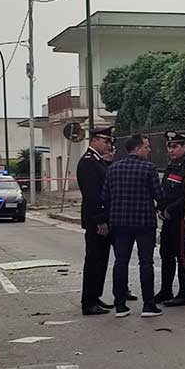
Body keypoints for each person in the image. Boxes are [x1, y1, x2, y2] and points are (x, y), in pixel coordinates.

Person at [103, 134, 165, 318]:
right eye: (146, 147)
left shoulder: (113, 168)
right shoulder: (149, 168)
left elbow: (105, 196)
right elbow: (159, 195)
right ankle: (148, 305)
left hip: (120, 222)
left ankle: (120, 305)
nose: (149, 150)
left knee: (120, 262)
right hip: (144, 222)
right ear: (137, 149)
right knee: (146, 262)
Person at [77, 127, 116, 316]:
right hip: (96, 220)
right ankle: (89, 301)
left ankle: (95, 296)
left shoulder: (98, 161)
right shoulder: (88, 162)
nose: (108, 145)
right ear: (94, 140)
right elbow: (92, 194)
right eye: (105, 141)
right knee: (94, 261)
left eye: (109, 141)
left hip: (103, 218)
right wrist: (100, 220)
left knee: (101, 261)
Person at [155, 131, 185, 307]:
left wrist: (170, 209)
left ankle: (184, 293)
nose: (171, 150)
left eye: (175, 146)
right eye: (169, 146)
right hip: (167, 219)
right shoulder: (172, 165)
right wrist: (160, 207)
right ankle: (166, 290)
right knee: (166, 254)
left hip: (180, 220)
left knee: (182, 256)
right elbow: (164, 190)